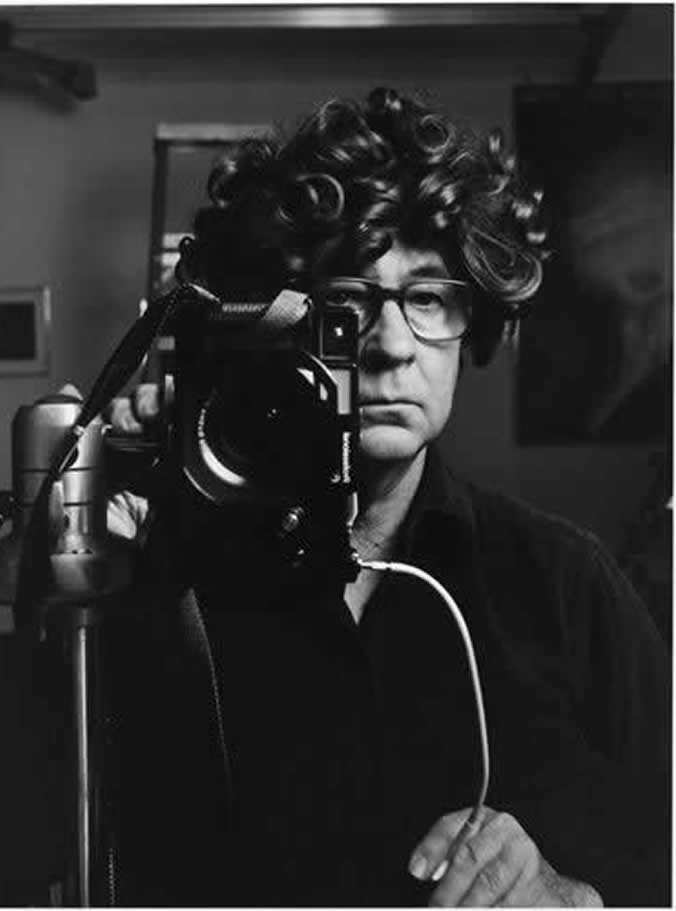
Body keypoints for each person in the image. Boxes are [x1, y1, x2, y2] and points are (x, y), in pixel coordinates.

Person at [104, 87, 670, 907]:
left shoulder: (566, 583)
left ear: (470, 323)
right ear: (274, 328)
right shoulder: (169, 576)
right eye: (346, 305)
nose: (392, 344)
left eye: (429, 298)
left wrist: (572, 894)